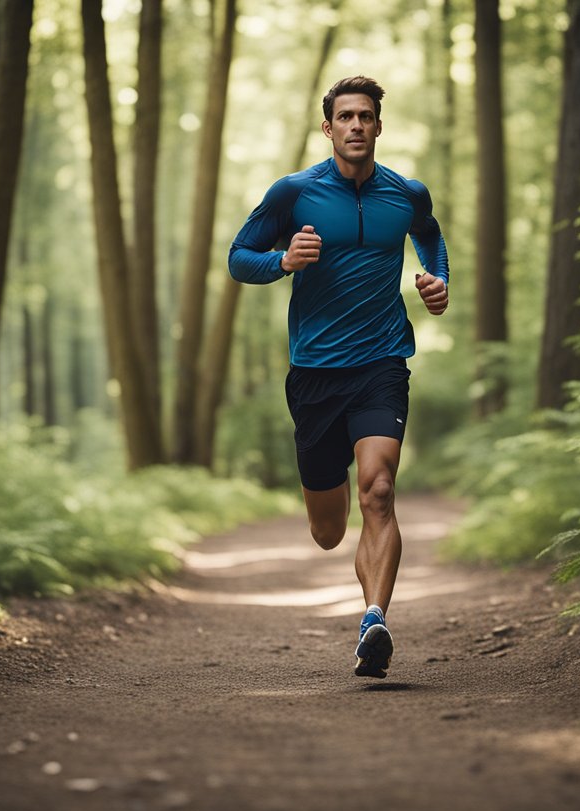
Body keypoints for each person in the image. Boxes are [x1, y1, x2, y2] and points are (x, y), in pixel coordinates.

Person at [228, 76, 450, 679]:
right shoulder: (294, 194)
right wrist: (282, 260)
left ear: (379, 126)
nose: (356, 125)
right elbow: (238, 258)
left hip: (381, 364)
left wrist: (436, 279)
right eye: (345, 117)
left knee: (378, 491)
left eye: (366, 117)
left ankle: (374, 618)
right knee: (328, 531)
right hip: (315, 374)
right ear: (328, 128)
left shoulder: (405, 193)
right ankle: (345, 539)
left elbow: (429, 236)